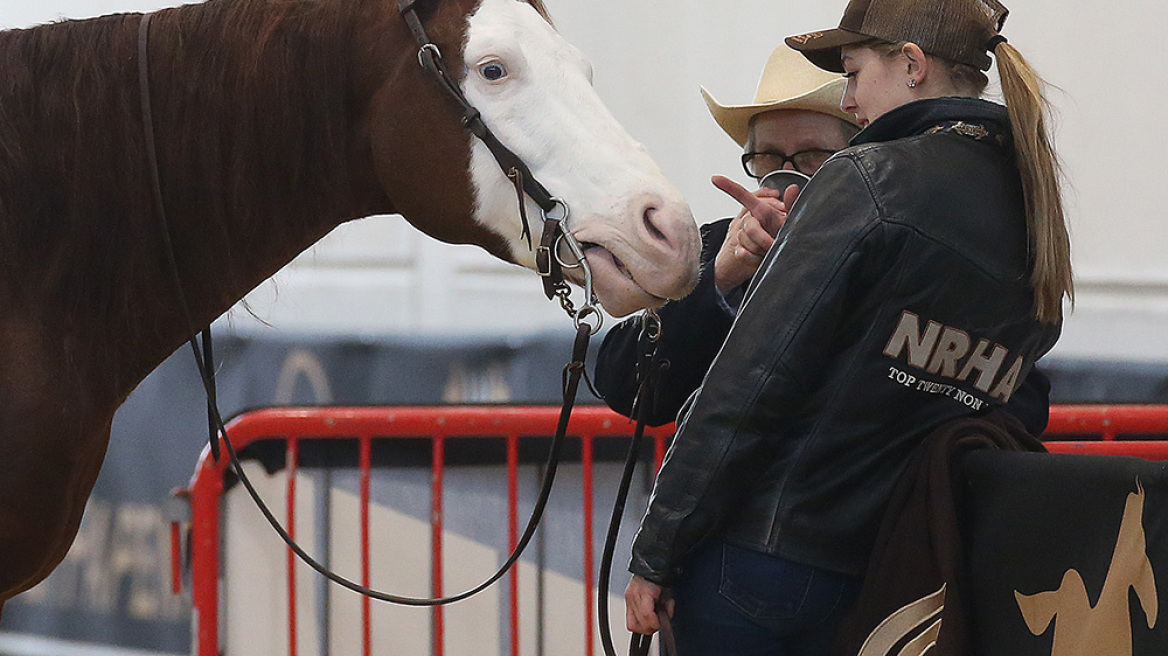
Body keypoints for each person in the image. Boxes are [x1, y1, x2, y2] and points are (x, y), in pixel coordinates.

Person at [623, 0, 1074, 653]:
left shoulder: (868, 179)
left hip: (759, 565)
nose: (851, 98)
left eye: (855, 72)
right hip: (892, 582)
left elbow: (747, 388)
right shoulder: (1035, 219)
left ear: (912, 65)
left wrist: (658, 549)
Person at [593, 46, 861, 427]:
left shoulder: (883, 246)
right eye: (767, 157)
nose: (786, 174)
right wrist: (719, 277)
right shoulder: (716, 247)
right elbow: (625, 387)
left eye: (812, 155)